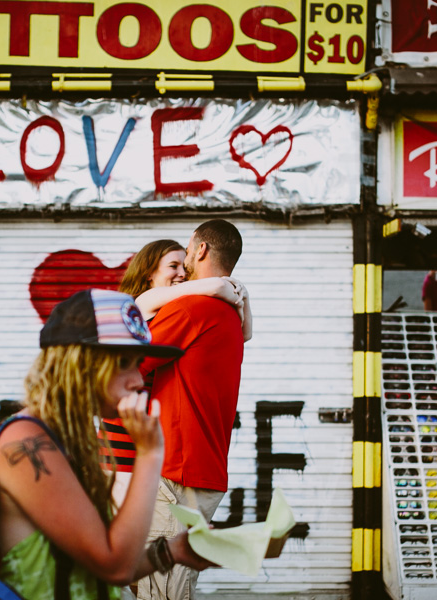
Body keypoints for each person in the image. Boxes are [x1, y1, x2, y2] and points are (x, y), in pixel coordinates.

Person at [0, 289, 215, 599]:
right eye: (124, 362)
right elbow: (115, 567)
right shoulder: (27, 443)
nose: (138, 379)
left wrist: (173, 551)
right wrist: (150, 454)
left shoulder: (64, 439)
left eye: (138, 363)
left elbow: (95, 563)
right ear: (80, 364)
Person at [135, 219, 248, 600]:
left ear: (200, 250)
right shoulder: (232, 314)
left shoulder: (193, 308)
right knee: (172, 582)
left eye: (186, 253)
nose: (182, 269)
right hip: (203, 468)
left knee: (162, 589)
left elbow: (129, 363)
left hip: (177, 472)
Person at [99, 239, 252, 507]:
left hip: (145, 448)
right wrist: (228, 287)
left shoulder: (169, 311)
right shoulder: (140, 306)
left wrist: (240, 298)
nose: (182, 273)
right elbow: (212, 286)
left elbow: (245, 334)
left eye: (184, 265)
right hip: (121, 446)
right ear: (149, 273)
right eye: (173, 266)